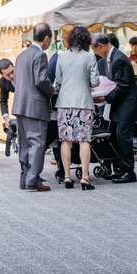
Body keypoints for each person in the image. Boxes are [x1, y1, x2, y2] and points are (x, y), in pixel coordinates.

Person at [92, 32, 137, 183]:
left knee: (123, 136)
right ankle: (121, 168)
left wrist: (106, 97)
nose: (95, 53)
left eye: (95, 50)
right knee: (115, 135)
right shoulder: (111, 58)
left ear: (101, 46)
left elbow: (124, 85)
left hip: (127, 104)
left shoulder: (119, 59)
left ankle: (129, 171)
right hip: (119, 104)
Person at [53, 26, 100, 190]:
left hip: (64, 102)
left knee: (66, 140)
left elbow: (57, 80)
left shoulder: (61, 56)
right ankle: (85, 177)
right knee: (84, 140)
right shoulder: (90, 57)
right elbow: (95, 82)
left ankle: (67, 176)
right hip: (84, 103)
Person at [13, 23, 55, 192]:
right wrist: (52, 90)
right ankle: (33, 180)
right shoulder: (40, 55)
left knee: (24, 143)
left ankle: (25, 178)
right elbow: (41, 80)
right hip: (35, 105)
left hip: (20, 104)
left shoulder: (21, 55)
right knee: (37, 142)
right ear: (46, 38)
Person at [0, 58, 17, 156]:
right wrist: (6, 117)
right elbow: (3, 100)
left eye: (12, 72)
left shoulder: (23, 73)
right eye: (8, 75)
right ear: (2, 75)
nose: (12, 76)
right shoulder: (2, 82)